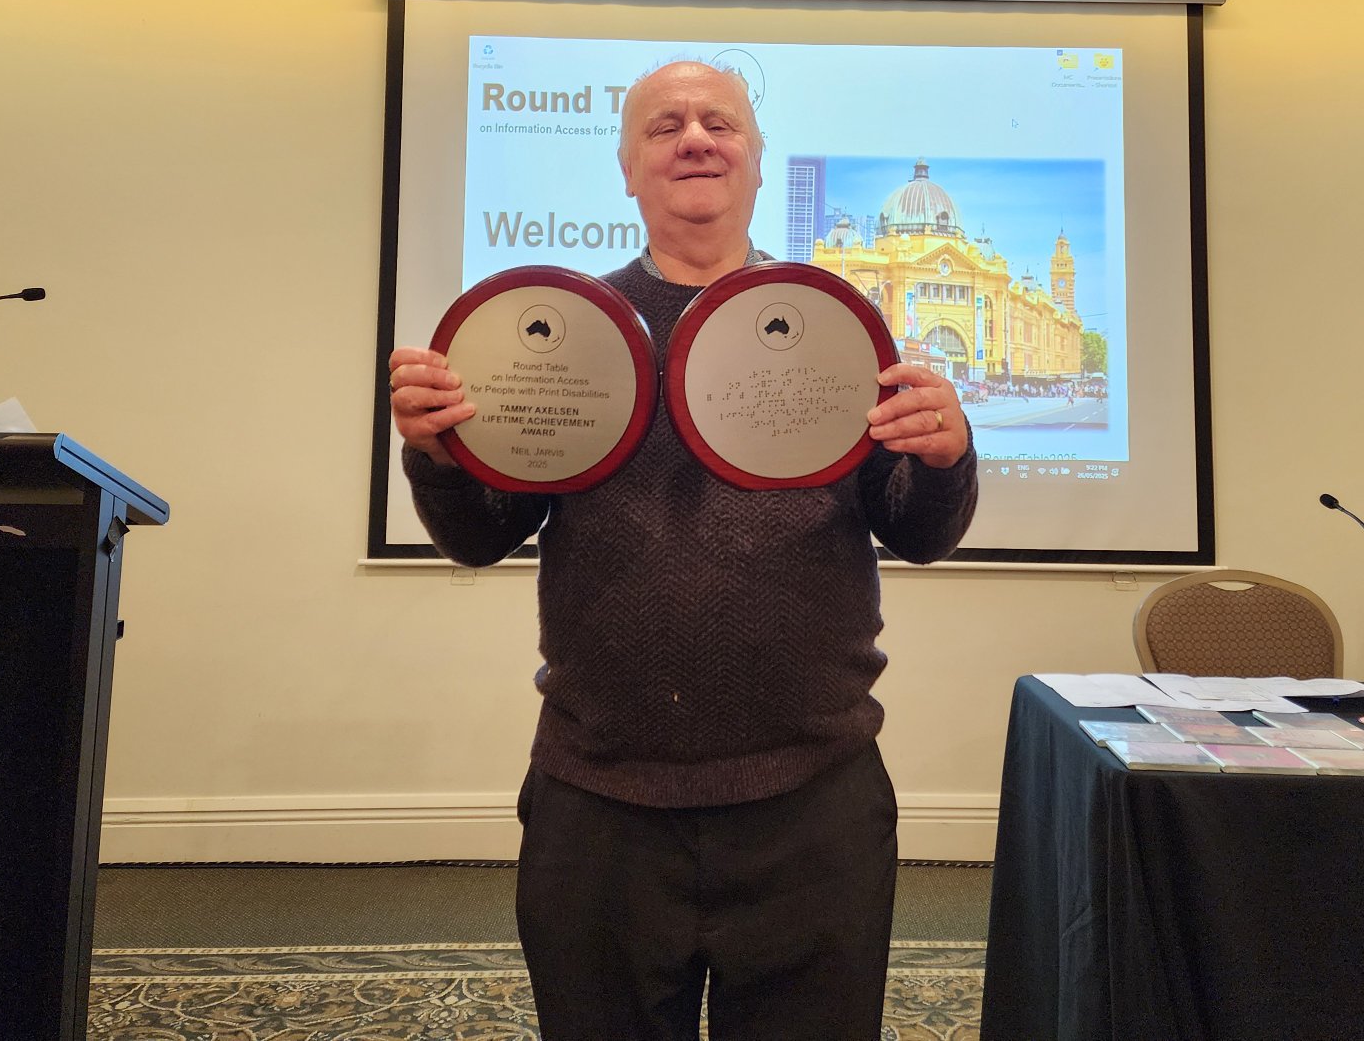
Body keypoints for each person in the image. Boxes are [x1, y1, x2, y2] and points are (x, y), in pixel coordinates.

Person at [387, 60, 977, 1041]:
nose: (695, 138)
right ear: (627, 169)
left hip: (814, 803)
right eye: (665, 126)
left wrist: (947, 456)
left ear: (756, 162)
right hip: (599, 804)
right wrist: (438, 453)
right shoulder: (560, 336)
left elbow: (918, 532)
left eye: (720, 123)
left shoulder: (838, 328)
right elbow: (479, 536)